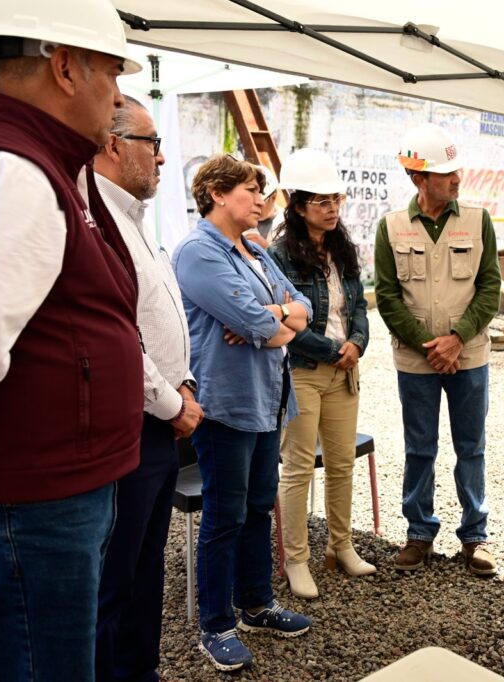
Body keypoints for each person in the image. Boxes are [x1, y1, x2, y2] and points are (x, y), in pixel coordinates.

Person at [0, 1, 144, 679]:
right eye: (112, 73)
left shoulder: (43, 162)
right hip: (23, 504)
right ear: (66, 68)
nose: (115, 97)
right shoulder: (10, 173)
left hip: (42, 497)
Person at [173, 154, 313, 672]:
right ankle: (216, 625)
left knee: (258, 507)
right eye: (251, 190)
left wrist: (277, 315)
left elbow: (301, 307)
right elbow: (256, 324)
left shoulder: (252, 248)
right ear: (216, 193)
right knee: (225, 516)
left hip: (267, 399)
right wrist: (272, 320)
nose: (261, 200)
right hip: (226, 406)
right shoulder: (196, 253)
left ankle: (256, 604)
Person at [93, 95, 204, 682]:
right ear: (113, 145)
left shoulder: (132, 218)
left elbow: (158, 324)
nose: (162, 159)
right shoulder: (96, 220)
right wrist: (173, 402)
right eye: (151, 144)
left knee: (145, 571)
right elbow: (116, 339)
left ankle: (141, 672)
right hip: (133, 427)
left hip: (161, 421)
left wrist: (181, 383)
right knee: (115, 579)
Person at [374, 122, 502, 577]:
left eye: (456, 169)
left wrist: (456, 339)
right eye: (444, 172)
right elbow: (387, 297)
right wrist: (427, 347)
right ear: (418, 178)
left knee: (472, 447)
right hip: (416, 361)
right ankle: (419, 535)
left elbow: (490, 289)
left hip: (467, 356)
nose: (455, 178)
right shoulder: (390, 228)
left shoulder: (477, 220)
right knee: (419, 448)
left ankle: (475, 536)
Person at [269, 149, 373, 599]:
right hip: (305, 372)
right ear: (296, 205)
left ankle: (340, 547)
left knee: (342, 463)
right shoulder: (279, 254)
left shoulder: (342, 249)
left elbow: (360, 306)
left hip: (343, 371)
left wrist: (358, 344)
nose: (332, 209)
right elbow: (285, 325)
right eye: (321, 202)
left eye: (336, 200)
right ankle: (296, 560)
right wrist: (336, 348)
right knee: (297, 470)